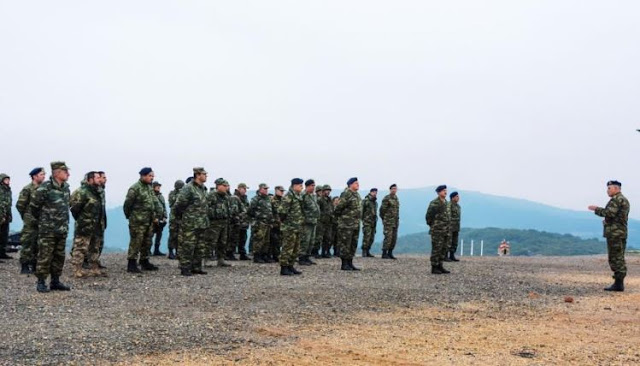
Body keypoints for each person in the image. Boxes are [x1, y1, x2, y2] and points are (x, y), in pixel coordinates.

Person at [31, 161, 71, 293]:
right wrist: (45, 221)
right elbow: (34, 207)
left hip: (62, 229)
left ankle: (55, 281)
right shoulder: (45, 188)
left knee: (59, 256)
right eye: (65, 172)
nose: (68, 174)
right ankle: (41, 282)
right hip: (47, 230)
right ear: (57, 173)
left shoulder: (66, 188)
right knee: (45, 256)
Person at [588, 180, 631, 292]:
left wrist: (596, 209)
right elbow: (616, 216)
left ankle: (618, 284)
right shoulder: (622, 199)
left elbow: (609, 213)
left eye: (609, 188)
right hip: (619, 232)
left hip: (615, 233)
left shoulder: (617, 199)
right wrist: (607, 221)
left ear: (616, 189)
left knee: (616, 258)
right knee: (618, 257)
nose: (607, 191)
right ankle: (618, 283)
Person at [123, 167, 161, 273]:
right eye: (150, 176)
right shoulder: (135, 189)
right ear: (143, 176)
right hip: (137, 221)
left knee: (147, 242)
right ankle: (131, 263)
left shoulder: (149, 188)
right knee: (136, 242)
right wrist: (131, 217)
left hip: (149, 221)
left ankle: (144, 261)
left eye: (152, 176)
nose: (151, 178)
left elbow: (153, 202)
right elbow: (127, 205)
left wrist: (156, 215)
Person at [173, 168, 209, 276]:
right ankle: (185, 267)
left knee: (200, 246)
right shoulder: (188, 188)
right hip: (190, 223)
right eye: (204, 174)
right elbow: (179, 204)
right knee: (188, 245)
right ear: (198, 175)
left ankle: (196, 267)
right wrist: (185, 217)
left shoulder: (203, 189)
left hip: (201, 222)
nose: (206, 176)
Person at [69, 171, 106, 278]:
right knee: (80, 248)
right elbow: (74, 209)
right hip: (85, 226)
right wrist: (83, 220)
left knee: (95, 248)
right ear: (90, 179)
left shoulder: (98, 192)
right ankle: (77, 270)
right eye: (97, 177)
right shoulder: (82, 192)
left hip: (97, 226)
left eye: (100, 177)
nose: (100, 179)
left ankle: (94, 268)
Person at [17, 167, 46, 273]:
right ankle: (24, 265)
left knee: (39, 243)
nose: (44, 176)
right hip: (30, 221)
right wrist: (26, 216)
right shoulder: (28, 189)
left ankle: (35, 265)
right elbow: (20, 205)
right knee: (28, 242)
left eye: (44, 174)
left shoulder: (44, 189)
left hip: (41, 220)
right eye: (41, 174)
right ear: (34, 176)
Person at [334, 177, 362, 271]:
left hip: (355, 224)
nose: (357, 185)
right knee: (345, 244)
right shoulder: (346, 194)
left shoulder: (357, 195)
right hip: (346, 224)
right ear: (350, 185)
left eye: (358, 183)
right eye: (355, 183)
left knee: (353, 244)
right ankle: (344, 264)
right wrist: (343, 219)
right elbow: (338, 208)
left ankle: (350, 262)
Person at [277, 178, 304, 276]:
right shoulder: (289, 196)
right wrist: (287, 223)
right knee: (287, 248)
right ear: (294, 186)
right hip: (289, 227)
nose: (302, 187)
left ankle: (290, 266)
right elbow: (282, 211)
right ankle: (284, 268)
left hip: (297, 227)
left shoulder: (298, 196)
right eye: (300, 185)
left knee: (295, 248)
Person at [426, 185, 451, 274]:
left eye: (446, 190)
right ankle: (434, 267)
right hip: (437, 230)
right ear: (439, 192)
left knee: (443, 249)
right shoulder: (434, 203)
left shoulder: (446, 203)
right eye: (443, 190)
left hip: (446, 230)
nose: (445, 192)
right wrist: (434, 226)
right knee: (436, 248)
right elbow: (428, 216)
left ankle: (440, 265)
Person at [207, 178, 231, 267]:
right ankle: (206, 260)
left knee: (223, 242)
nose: (226, 188)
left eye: (227, 186)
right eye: (224, 186)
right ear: (218, 186)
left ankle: (221, 259)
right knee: (211, 241)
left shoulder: (226, 197)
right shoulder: (211, 195)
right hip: (214, 223)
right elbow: (205, 208)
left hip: (224, 222)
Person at [248, 183, 274, 263]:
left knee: (266, 241)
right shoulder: (256, 199)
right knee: (259, 239)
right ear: (260, 189)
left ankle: (264, 255)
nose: (266, 190)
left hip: (267, 223)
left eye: (267, 189)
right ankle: (257, 256)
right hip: (259, 223)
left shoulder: (268, 199)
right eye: (264, 189)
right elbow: (250, 211)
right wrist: (255, 219)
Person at [300, 179, 319, 265]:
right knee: (305, 240)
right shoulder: (303, 195)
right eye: (312, 186)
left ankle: (307, 256)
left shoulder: (313, 195)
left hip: (313, 221)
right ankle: (302, 258)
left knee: (311, 241)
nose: (313, 187)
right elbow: (300, 208)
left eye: (314, 186)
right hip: (306, 222)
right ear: (307, 186)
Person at [229, 183, 250, 261]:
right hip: (237, 222)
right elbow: (234, 211)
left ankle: (242, 254)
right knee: (234, 238)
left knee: (243, 238)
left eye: (246, 189)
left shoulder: (244, 198)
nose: (245, 191)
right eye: (244, 189)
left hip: (244, 223)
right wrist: (238, 219)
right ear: (239, 188)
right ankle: (230, 253)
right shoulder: (235, 198)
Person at [380, 184, 400, 259]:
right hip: (388, 221)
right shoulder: (387, 198)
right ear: (390, 189)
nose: (394, 190)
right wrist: (384, 219)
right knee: (388, 237)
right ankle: (384, 253)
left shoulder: (396, 198)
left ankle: (390, 252)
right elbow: (382, 210)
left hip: (395, 221)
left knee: (394, 238)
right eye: (393, 189)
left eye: (395, 189)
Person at [167, 180, 185, 260]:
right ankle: (171, 252)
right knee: (172, 235)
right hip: (174, 218)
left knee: (180, 235)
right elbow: (172, 203)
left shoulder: (184, 193)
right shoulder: (172, 193)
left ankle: (178, 252)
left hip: (181, 217)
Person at [269, 186, 286, 262]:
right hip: (274, 223)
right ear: (276, 191)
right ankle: (272, 256)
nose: (282, 192)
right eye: (281, 191)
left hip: (281, 223)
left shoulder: (283, 200)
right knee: (273, 240)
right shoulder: (272, 200)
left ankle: (277, 255)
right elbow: (270, 212)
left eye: (283, 191)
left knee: (280, 240)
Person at [317, 185, 334, 258]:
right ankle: (316, 252)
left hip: (329, 222)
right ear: (323, 191)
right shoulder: (320, 200)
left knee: (328, 238)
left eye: (329, 190)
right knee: (319, 237)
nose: (328, 192)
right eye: (326, 190)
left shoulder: (330, 200)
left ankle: (325, 252)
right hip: (321, 221)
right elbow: (317, 210)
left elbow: (331, 209)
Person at [151, 182, 167, 256]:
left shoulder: (161, 196)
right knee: (150, 235)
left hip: (160, 219)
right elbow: (150, 208)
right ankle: (147, 250)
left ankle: (156, 250)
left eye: (159, 187)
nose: (159, 188)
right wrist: (154, 218)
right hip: (152, 220)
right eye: (157, 186)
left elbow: (164, 207)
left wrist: (165, 217)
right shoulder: (150, 195)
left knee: (159, 234)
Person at [361, 188, 378, 257]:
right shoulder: (366, 201)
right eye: (373, 192)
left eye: (376, 193)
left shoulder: (375, 202)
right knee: (366, 237)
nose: (375, 194)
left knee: (371, 237)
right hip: (367, 222)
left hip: (373, 222)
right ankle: (364, 251)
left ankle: (368, 250)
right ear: (370, 192)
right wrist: (363, 220)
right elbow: (361, 211)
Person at [0, 173, 13, 261]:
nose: (7, 181)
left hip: (6, 215)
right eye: (5, 179)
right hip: (1, 215)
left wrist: (9, 215)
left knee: (4, 236)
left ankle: (2, 253)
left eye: (8, 179)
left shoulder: (8, 190)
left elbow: (8, 204)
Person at [447, 191, 461, 262]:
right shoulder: (449, 205)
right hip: (450, 227)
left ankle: (452, 255)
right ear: (452, 198)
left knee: (454, 242)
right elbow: (448, 216)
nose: (458, 198)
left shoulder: (458, 206)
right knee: (448, 242)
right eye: (457, 196)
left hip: (456, 227)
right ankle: (445, 256)